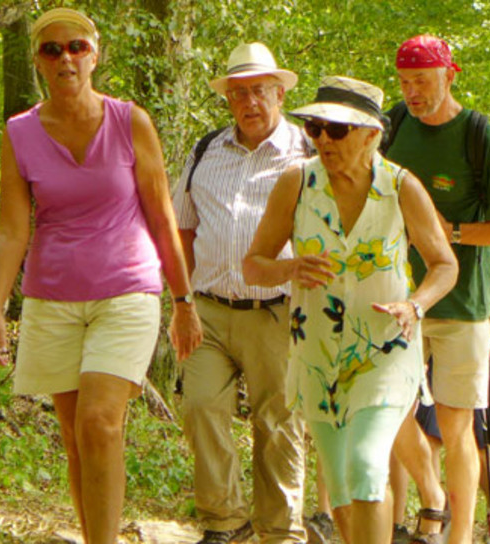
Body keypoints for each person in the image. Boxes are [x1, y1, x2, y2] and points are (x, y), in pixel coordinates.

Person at [0, 8, 202, 544]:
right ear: (37, 61)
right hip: (53, 297)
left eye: (76, 47)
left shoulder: (131, 122)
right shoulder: (21, 133)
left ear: (95, 54)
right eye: (51, 50)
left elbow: (161, 215)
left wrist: (183, 299)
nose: (66, 59)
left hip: (126, 289)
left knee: (101, 423)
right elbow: (13, 229)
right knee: (77, 439)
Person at [242, 75, 458, 544]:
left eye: (336, 131)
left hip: (385, 349)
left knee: (364, 464)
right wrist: (291, 268)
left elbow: (445, 265)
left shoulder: (403, 187)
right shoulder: (297, 183)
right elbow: (254, 266)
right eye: (315, 128)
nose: (322, 139)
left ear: (372, 134)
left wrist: (415, 305)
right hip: (317, 354)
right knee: (340, 488)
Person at [384, 34, 490, 544]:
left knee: (457, 429)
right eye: (405, 82)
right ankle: (432, 496)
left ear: (451, 75)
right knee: (387, 407)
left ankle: (460, 537)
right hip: (394, 299)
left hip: (463, 304)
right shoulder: (392, 125)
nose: (413, 92)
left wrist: (448, 235)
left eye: (422, 81)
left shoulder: (478, 135)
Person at [171, 42, 311, 544]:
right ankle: (225, 521)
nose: (249, 103)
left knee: (279, 422)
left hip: (279, 310)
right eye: (238, 94)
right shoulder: (206, 150)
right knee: (200, 408)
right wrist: (179, 301)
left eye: (258, 91)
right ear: (227, 100)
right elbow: (181, 229)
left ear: (279, 94)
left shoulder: (307, 151)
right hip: (207, 307)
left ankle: (280, 529)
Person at [414, 277, 490, 543]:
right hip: (432, 354)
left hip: (474, 356)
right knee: (431, 437)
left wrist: (476, 334)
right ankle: (437, 518)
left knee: (475, 441)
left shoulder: (479, 261)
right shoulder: (427, 261)